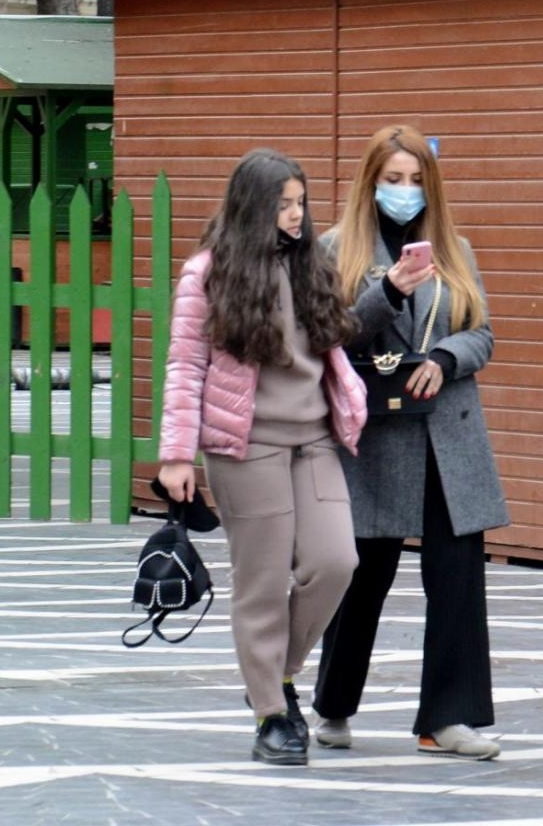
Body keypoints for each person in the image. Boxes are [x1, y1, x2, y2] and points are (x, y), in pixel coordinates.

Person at [157, 148, 367, 766]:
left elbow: (337, 338)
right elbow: (185, 365)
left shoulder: (312, 265)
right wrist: (176, 455)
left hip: (316, 439)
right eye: (283, 205)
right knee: (262, 584)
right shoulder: (208, 273)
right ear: (254, 208)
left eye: (301, 203)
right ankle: (271, 715)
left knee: (336, 562)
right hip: (245, 448)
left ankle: (279, 674)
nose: (296, 216)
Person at [312, 124, 508, 760]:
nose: (405, 191)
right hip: (373, 436)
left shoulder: (454, 248)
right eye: (392, 179)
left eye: (417, 179)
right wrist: (389, 289)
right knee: (362, 579)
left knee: (456, 577)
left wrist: (448, 356)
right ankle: (335, 704)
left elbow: (482, 333)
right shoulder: (335, 248)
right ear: (369, 181)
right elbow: (327, 336)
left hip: (448, 434)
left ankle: (447, 720)